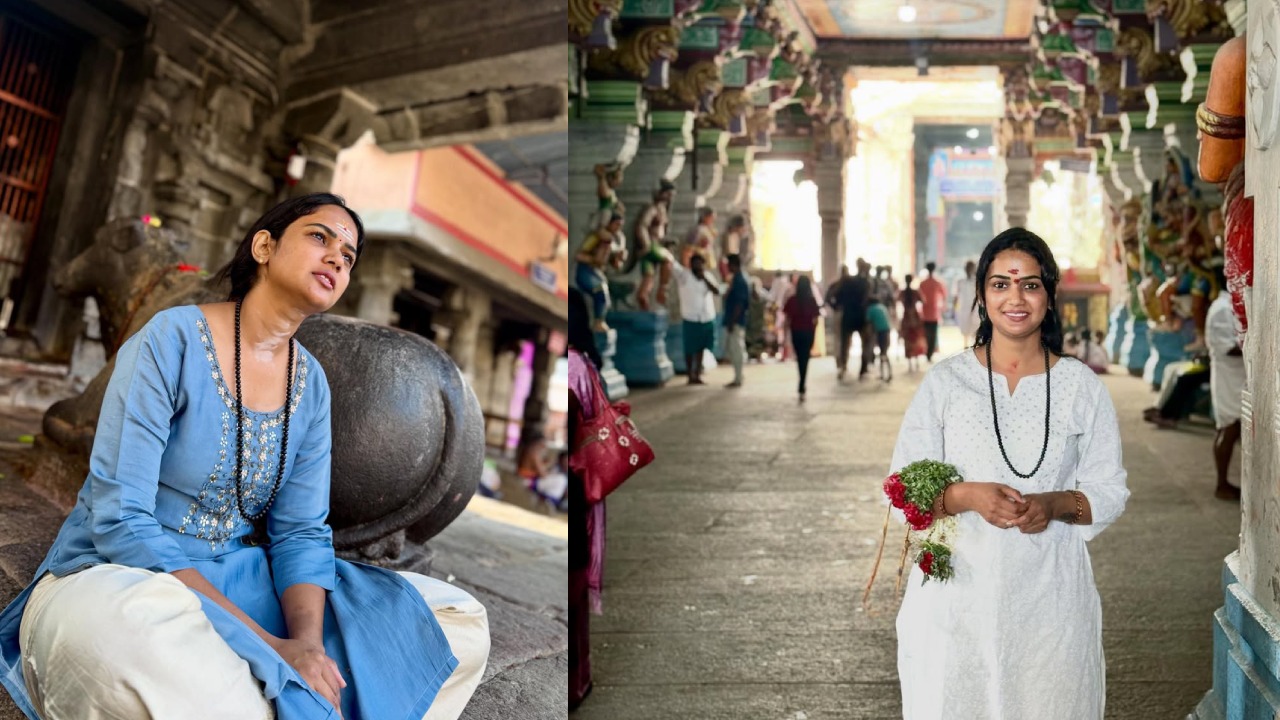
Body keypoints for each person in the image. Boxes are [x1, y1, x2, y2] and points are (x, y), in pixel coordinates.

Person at [0, 194, 489, 720]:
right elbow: (121, 522)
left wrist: (306, 643)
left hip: (242, 577)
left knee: (457, 619)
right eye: (320, 237)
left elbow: (300, 532)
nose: (336, 258)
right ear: (264, 246)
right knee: (128, 639)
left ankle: (250, 698)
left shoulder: (312, 385)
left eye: (348, 257)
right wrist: (266, 646)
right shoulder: (171, 340)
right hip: (125, 577)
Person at [891, 228, 1129, 719]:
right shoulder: (946, 383)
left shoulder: (1080, 387)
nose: (1015, 298)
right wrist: (964, 495)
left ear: (1049, 294)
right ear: (981, 295)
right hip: (955, 598)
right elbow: (901, 490)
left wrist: (1056, 504)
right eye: (1000, 285)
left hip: (1050, 597)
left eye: (1030, 285)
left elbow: (1109, 490)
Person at [568, 288, 604, 709]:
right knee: (576, 584)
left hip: (572, 485)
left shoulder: (573, 367)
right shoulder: (583, 366)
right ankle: (578, 679)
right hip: (581, 486)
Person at [1207, 287, 1244, 500]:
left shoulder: (1227, 305)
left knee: (1228, 427)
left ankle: (1224, 482)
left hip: (1235, 375)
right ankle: (1222, 484)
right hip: (1230, 375)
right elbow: (1227, 347)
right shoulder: (1222, 308)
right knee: (1228, 427)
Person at [672, 253, 721, 385]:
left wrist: (704, 278)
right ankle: (690, 374)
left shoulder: (708, 276)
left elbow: (717, 291)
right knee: (689, 348)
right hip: (691, 318)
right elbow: (673, 265)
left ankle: (697, 374)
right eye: (695, 263)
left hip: (706, 318)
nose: (698, 266)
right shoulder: (684, 276)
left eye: (700, 263)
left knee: (701, 348)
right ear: (691, 264)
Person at [827, 261, 872, 381]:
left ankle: (843, 367)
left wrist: (836, 306)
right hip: (861, 316)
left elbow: (831, 295)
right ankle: (863, 369)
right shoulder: (865, 283)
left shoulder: (846, 281)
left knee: (844, 344)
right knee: (865, 344)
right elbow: (868, 299)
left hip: (847, 315)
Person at [782, 275, 822, 402]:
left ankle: (801, 381)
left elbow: (787, 320)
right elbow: (816, 320)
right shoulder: (811, 301)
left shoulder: (792, 300)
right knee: (805, 358)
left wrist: (785, 336)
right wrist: (813, 333)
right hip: (808, 333)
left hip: (796, 333)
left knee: (800, 358)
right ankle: (802, 382)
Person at [722, 254, 749, 388]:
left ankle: (738, 378)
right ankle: (739, 375)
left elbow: (739, 304)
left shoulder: (739, 281)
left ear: (733, 265)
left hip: (736, 321)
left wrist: (732, 321)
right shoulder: (736, 280)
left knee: (736, 349)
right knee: (734, 349)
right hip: (734, 320)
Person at [917, 261, 947, 361]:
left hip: (924, 313)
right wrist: (942, 307)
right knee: (933, 335)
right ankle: (930, 352)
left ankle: (927, 352)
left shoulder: (922, 283)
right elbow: (944, 296)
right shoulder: (937, 283)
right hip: (934, 313)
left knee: (926, 334)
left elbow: (919, 298)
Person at [898, 275, 927, 372]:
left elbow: (897, 300)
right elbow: (923, 300)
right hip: (915, 318)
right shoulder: (915, 292)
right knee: (916, 339)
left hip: (906, 318)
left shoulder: (902, 292)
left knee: (908, 340)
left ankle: (910, 364)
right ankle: (917, 362)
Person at [953, 259, 981, 347]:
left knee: (975, 325)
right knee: (965, 326)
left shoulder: (977, 281)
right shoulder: (960, 281)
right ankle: (965, 344)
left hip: (975, 307)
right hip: (964, 307)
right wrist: (954, 308)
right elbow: (956, 296)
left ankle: (974, 344)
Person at [866, 295, 893, 382]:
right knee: (883, 353)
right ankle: (885, 374)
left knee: (883, 354)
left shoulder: (870, 309)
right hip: (887, 331)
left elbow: (869, 323)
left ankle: (887, 374)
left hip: (880, 332)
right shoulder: (882, 307)